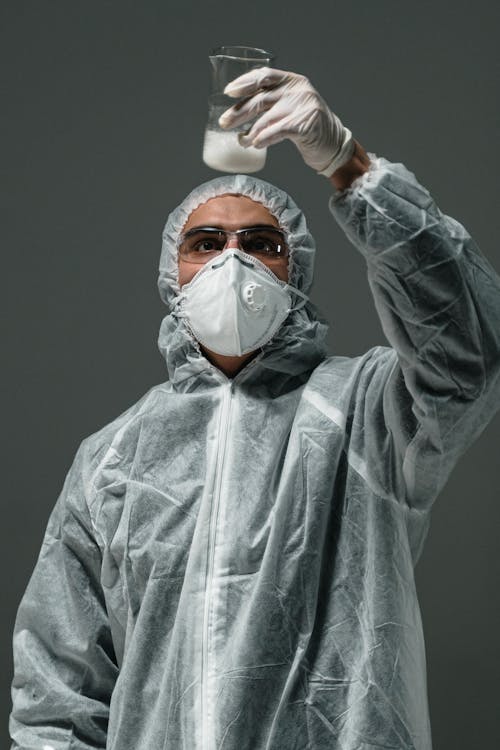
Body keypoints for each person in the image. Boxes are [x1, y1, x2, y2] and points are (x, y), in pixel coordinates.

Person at [8, 68, 500, 750]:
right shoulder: (112, 460)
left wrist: (348, 165)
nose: (231, 263)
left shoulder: (369, 411)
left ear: (293, 270)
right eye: (206, 244)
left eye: (261, 245)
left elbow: (469, 349)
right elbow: (57, 695)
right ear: (170, 273)